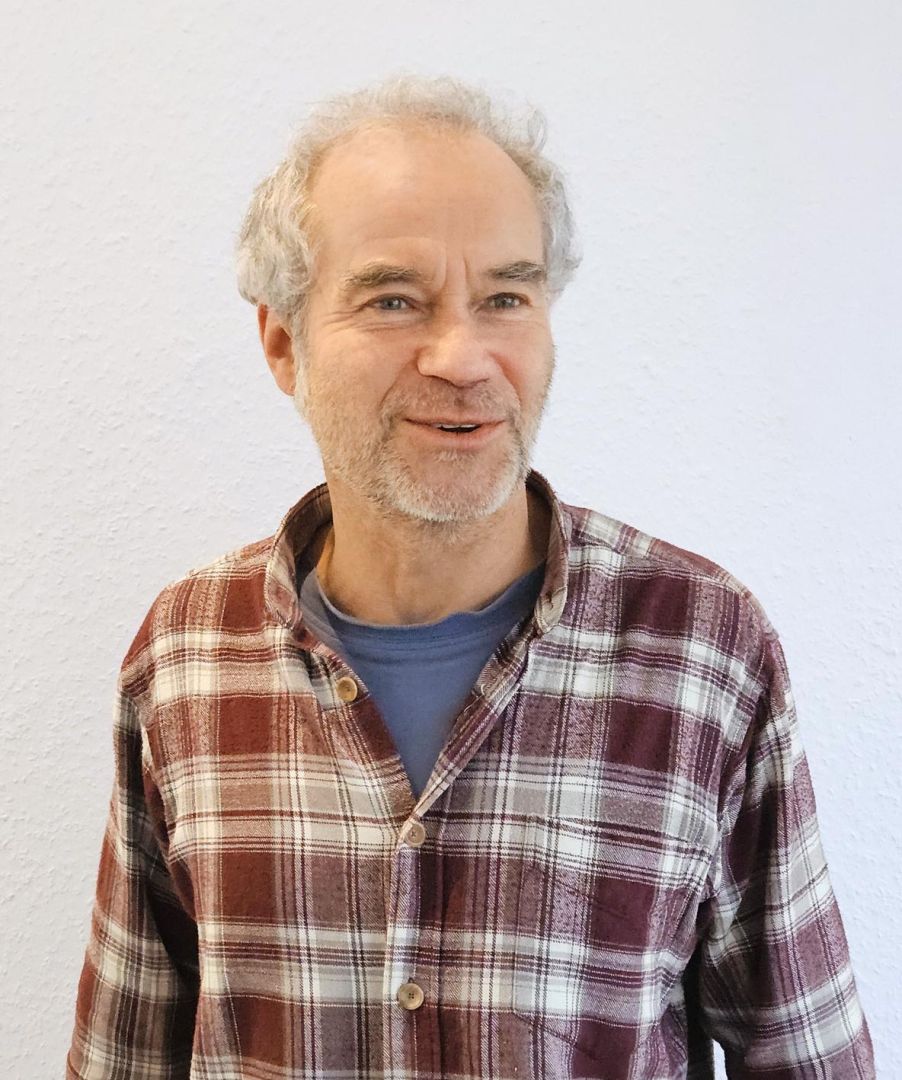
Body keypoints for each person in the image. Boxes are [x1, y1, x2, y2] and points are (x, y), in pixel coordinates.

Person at [67, 74, 874, 1079]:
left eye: (504, 297)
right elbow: (124, 1054)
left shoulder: (702, 651)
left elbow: (807, 1057)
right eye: (393, 300)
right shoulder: (187, 655)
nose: (461, 356)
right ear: (282, 342)